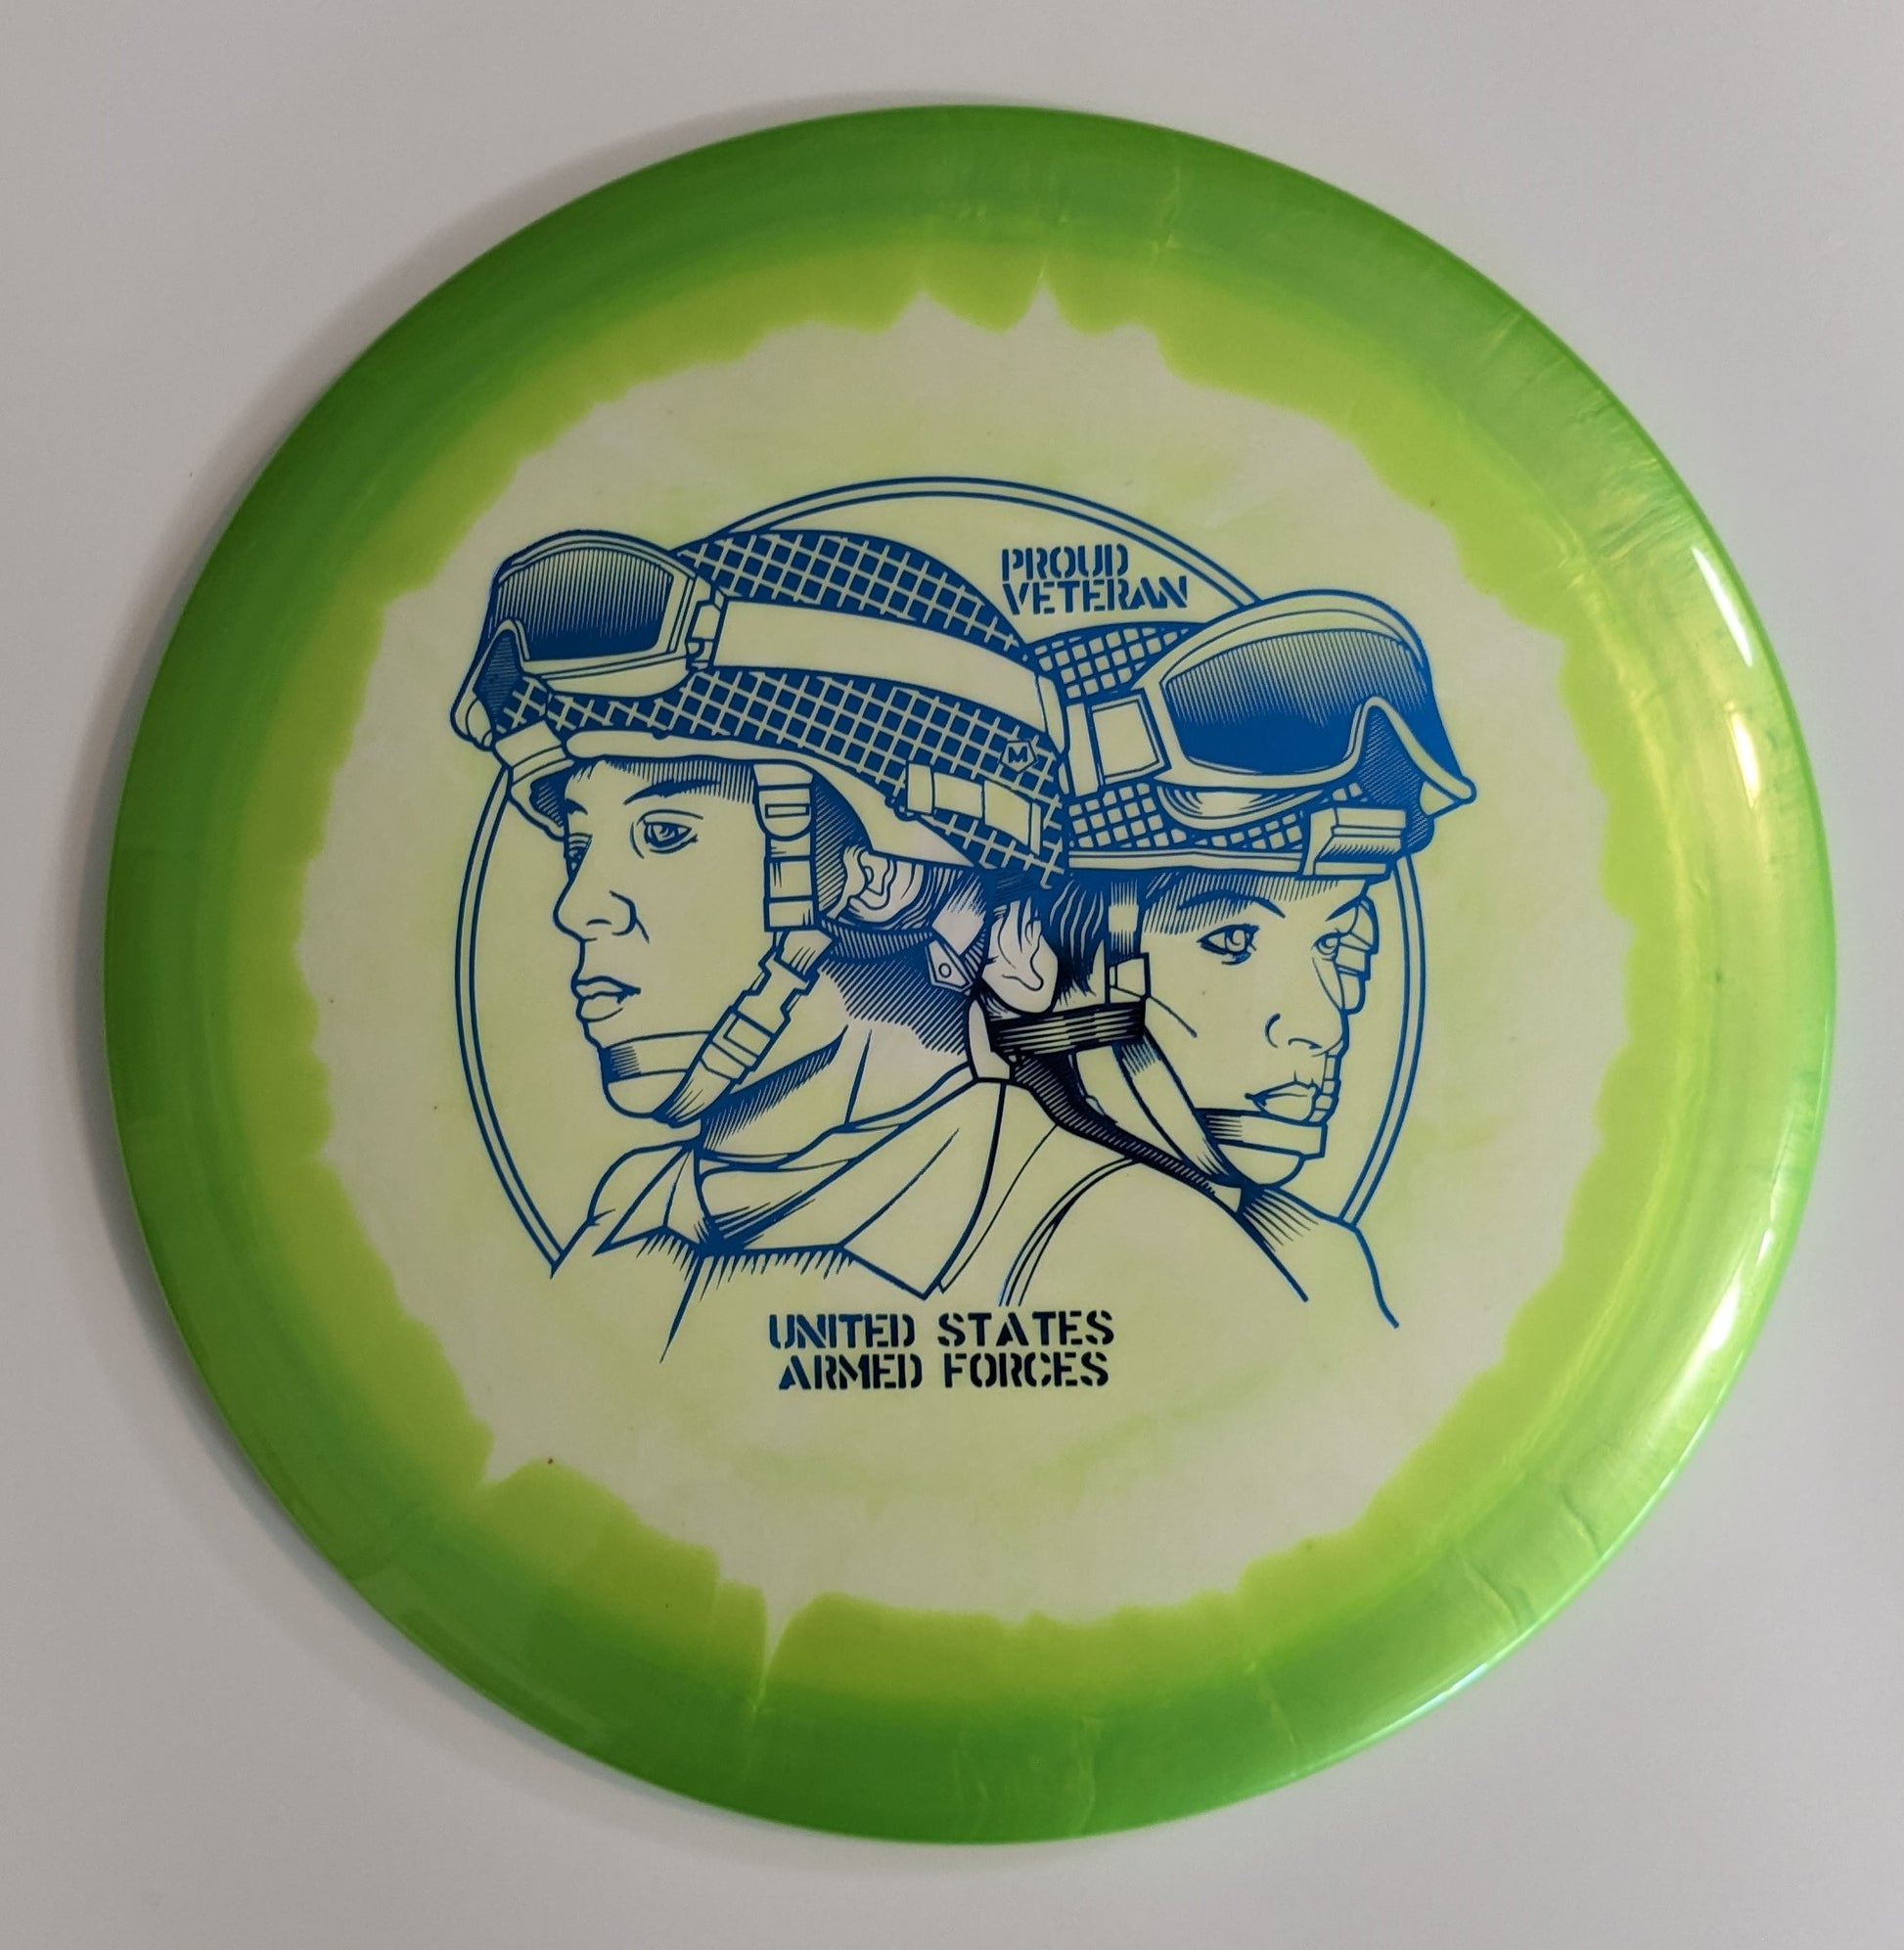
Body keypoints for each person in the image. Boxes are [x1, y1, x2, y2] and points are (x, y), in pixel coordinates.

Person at [448, 522, 1309, 1370]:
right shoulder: (629, 1217)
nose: (578, 906)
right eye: (578, 844)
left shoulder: (1128, 1247)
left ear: (881, 882)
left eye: (665, 832)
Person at [990, 590, 1475, 1321]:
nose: (1321, 1029)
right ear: (1025, 949)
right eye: (1233, 941)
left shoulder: (1314, 1258)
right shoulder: (1037, 1226)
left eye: (1335, 944)